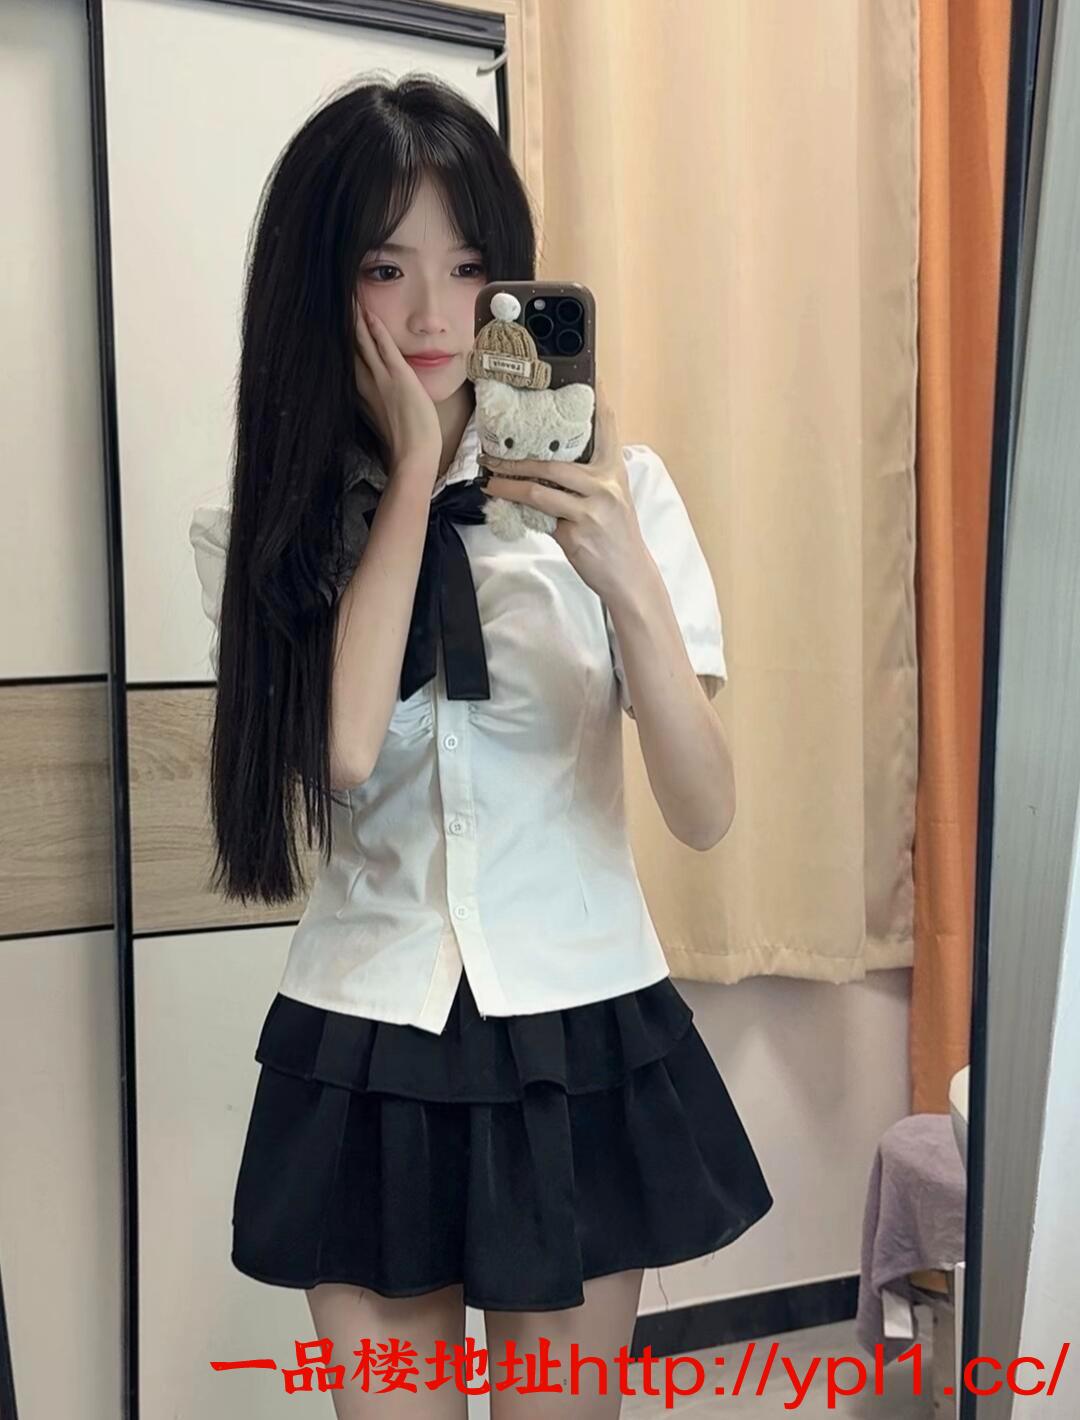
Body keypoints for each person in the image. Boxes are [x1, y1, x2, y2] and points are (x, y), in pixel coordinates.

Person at [189, 73, 773, 1420]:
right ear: (321, 284)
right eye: (385, 267)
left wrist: (624, 576)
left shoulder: (619, 499)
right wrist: (410, 480)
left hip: (577, 1034)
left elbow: (703, 811)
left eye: (468, 268)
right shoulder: (267, 535)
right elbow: (342, 756)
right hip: (365, 1040)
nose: (435, 316)